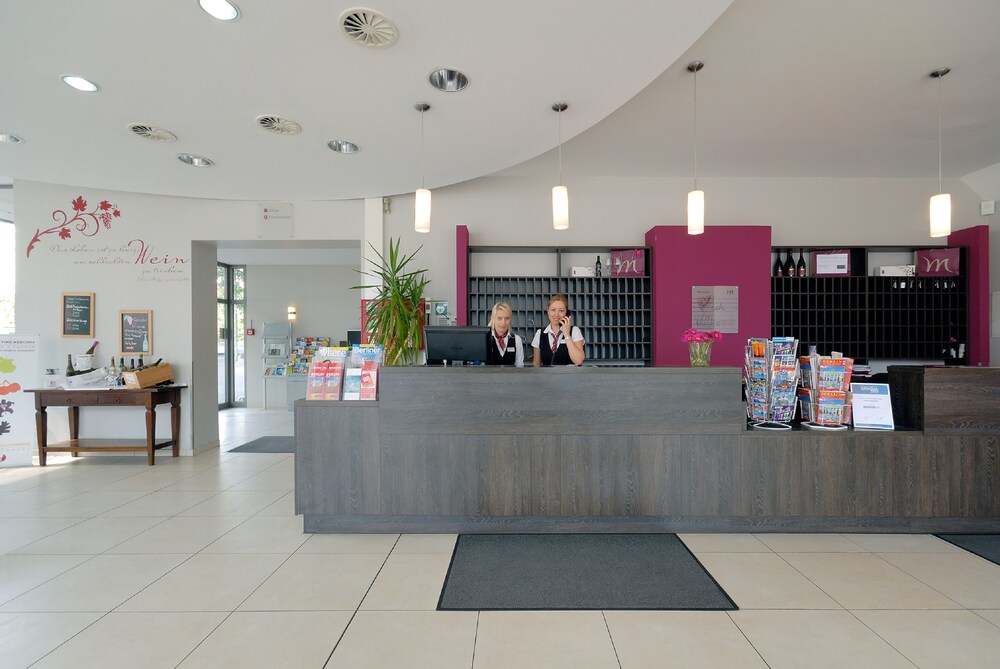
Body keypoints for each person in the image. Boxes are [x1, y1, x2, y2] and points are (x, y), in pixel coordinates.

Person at [532, 294, 586, 366]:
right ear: (548, 311)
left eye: (561, 311)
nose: (556, 314)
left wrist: (567, 335)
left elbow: (579, 361)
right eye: (553, 310)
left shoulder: (574, 331)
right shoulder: (540, 334)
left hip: (571, 373)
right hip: (547, 373)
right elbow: (536, 364)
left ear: (566, 313)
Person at [485, 301, 525, 367]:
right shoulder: (485, 339)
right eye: (499, 318)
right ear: (493, 318)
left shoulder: (516, 340)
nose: (503, 322)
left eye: (507, 318)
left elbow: (519, 366)